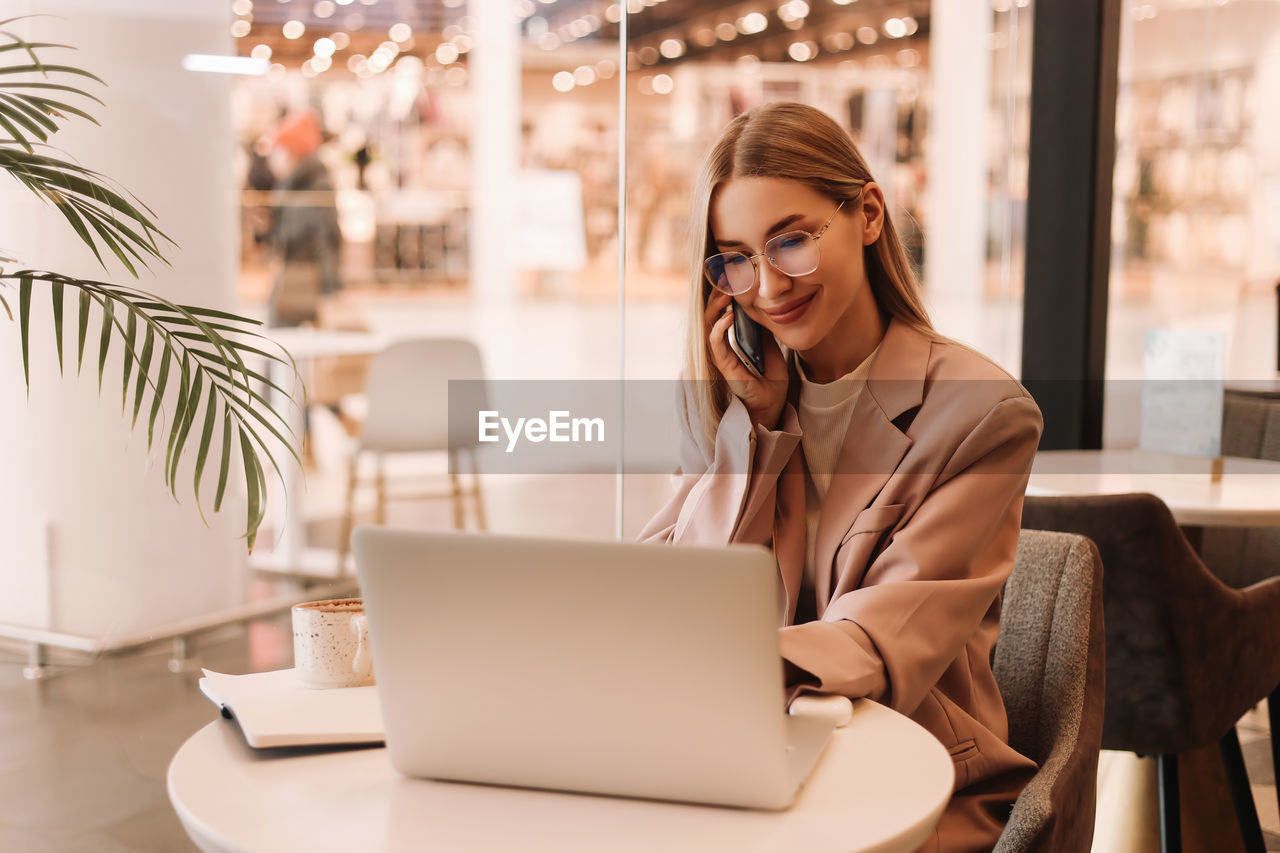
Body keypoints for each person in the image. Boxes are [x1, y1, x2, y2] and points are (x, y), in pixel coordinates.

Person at [639, 102, 1043, 851]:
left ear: (867, 212)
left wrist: (711, 661)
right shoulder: (739, 403)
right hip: (749, 754)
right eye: (736, 257)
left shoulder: (982, 413)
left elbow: (880, 634)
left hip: (914, 772)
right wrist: (753, 437)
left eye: (791, 240)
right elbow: (676, 590)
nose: (766, 286)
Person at [268, 109, 342, 327]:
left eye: (279, 150)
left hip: (308, 277)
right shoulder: (288, 184)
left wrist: (333, 286)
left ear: (293, 152)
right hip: (290, 273)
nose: (274, 157)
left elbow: (328, 237)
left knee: (288, 340)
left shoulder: (316, 185)